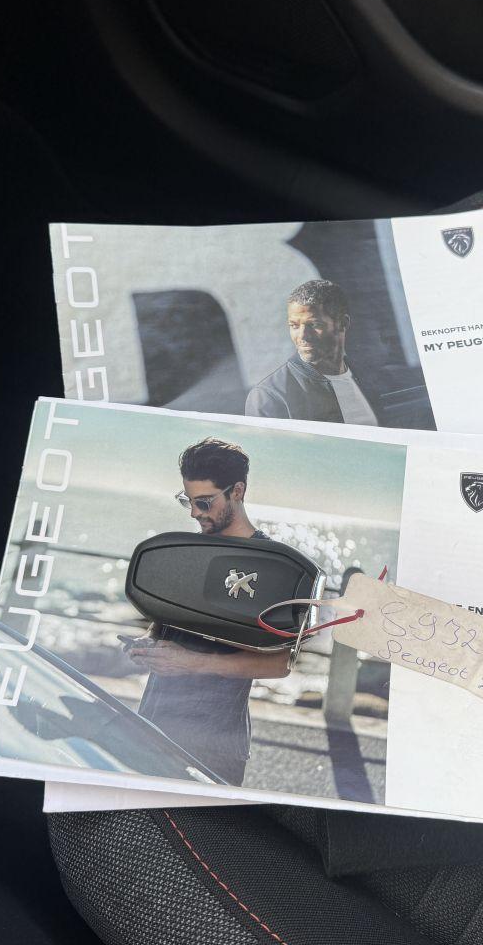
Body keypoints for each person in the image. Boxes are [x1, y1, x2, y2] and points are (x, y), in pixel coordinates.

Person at [128, 438, 290, 785]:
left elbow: (279, 663)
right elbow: (167, 625)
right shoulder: (189, 551)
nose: (194, 513)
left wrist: (192, 662)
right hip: (152, 728)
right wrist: (148, 642)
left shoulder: (271, 563)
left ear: (237, 492)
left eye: (203, 502)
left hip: (213, 748)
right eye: (188, 500)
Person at [245, 279, 388, 426]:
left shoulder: (367, 377)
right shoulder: (269, 397)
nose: (302, 336)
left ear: (342, 323)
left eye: (313, 324)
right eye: (294, 326)